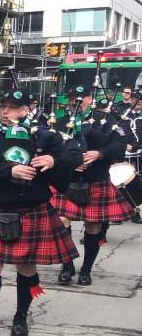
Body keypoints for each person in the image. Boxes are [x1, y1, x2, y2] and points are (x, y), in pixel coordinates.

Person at [0, 89, 80, 336]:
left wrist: (53, 160)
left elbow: (74, 153)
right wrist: (10, 171)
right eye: (3, 106)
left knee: (26, 266)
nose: (5, 112)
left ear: (26, 110)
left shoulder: (44, 134)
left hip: (31, 209)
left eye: (12, 107)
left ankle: (20, 317)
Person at [51, 85, 132, 285]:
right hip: (67, 181)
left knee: (93, 227)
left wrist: (99, 154)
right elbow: (50, 150)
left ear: (89, 98)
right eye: (71, 97)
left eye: (80, 97)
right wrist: (67, 162)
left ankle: (86, 270)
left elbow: (120, 144)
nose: (74, 101)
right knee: (61, 222)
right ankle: (67, 265)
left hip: (95, 179)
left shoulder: (105, 120)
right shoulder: (60, 122)